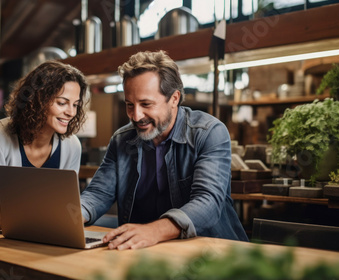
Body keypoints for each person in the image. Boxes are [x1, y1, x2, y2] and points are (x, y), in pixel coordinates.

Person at [80, 51, 248, 250]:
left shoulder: (209, 133)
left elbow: (208, 202)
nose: (136, 116)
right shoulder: (122, 140)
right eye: (129, 105)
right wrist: (70, 216)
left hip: (213, 253)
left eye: (146, 104)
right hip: (147, 252)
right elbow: (98, 193)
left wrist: (154, 231)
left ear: (174, 98)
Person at [0, 60, 89, 231]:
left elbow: (65, 201)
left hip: (34, 229)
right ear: (38, 100)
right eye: (62, 103)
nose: (71, 112)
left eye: (75, 105)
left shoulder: (72, 146)